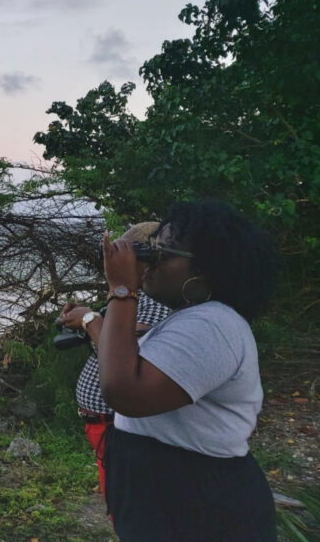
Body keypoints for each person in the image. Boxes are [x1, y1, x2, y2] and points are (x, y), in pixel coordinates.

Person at [98, 200, 277, 541]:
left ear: (203, 270)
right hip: (172, 493)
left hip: (197, 503)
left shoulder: (213, 325)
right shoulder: (191, 319)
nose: (149, 261)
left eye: (161, 252)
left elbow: (124, 391)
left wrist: (121, 289)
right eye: (150, 247)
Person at [59, 221, 170, 498]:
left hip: (116, 423)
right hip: (107, 423)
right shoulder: (135, 298)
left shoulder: (154, 300)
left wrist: (89, 319)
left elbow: (128, 354)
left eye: (124, 253)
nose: (116, 261)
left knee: (126, 500)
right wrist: (89, 318)